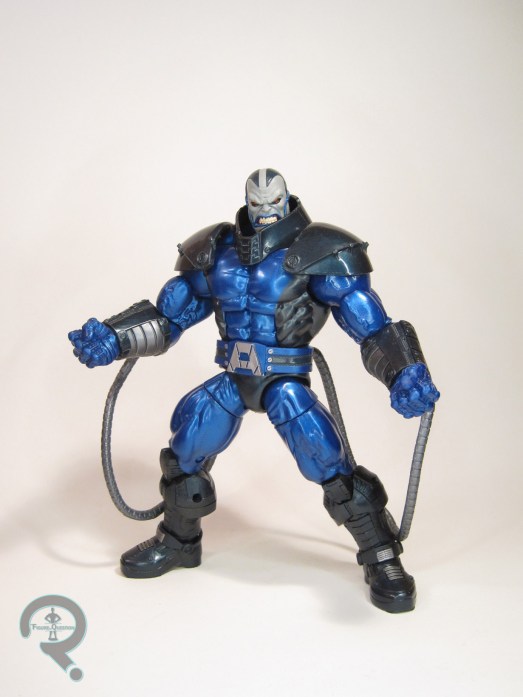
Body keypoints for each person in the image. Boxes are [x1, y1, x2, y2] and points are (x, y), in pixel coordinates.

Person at [69, 168, 439, 613]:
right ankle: (179, 541)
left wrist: (404, 372)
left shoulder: (319, 249)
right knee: (185, 448)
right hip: (233, 377)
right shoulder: (216, 251)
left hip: (284, 381)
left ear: (287, 199)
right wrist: (114, 338)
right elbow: (170, 316)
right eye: (257, 202)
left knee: (327, 460)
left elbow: (370, 324)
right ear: (246, 201)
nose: (265, 211)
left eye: (273, 202)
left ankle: (381, 555)